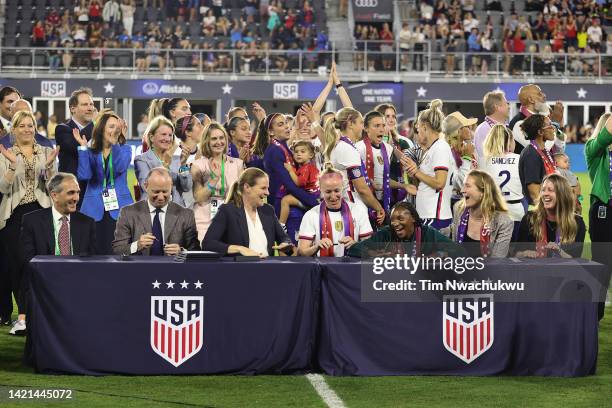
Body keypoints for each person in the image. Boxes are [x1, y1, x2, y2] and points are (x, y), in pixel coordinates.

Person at [0, 111, 59, 335]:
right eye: (22, 126)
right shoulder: (5, 153)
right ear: (13, 130)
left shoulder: (45, 152)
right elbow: (3, 189)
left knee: (40, 265)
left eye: (30, 125)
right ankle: (23, 317)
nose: (27, 129)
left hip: (41, 212)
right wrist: (13, 166)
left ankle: (40, 314)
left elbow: (52, 187)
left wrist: (50, 168)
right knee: (19, 266)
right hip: (14, 215)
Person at [19, 173, 97, 335]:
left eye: (78, 192)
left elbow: (92, 261)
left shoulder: (87, 223)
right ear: (54, 195)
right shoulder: (31, 221)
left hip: (77, 288)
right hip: (44, 287)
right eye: (71, 193)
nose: (76, 198)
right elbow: (27, 260)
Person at [75, 111, 133, 255]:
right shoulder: (90, 151)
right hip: (93, 208)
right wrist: (82, 148)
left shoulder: (125, 149)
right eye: (111, 127)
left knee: (117, 252)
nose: (115, 130)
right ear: (101, 129)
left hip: (119, 207)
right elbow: (84, 175)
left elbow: (119, 167)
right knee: (94, 252)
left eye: (117, 127)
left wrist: (116, 145)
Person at [202, 167, 293, 257]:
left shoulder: (268, 210)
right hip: (240, 269)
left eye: (267, 188)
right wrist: (239, 249)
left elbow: (284, 238)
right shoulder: (227, 210)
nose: (267, 193)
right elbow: (208, 244)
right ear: (247, 187)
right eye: (263, 188)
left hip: (267, 268)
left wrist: (286, 244)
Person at [112, 167, 200, 255]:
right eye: (156, 192)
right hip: (139, 268)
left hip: (173, 268)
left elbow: (196, 252)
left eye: (165, 192)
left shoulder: (186, 215)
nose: (161, 197)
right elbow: (117, 250)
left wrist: (182, 252)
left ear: (171, 187)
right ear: (146, 186)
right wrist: (137, 245)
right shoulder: (128, 213)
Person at [323, 108, 385, 225]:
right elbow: (361, 188)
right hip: (351, 208)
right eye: (361, 122)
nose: (362, 127)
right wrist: (378, 207)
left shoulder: (339, 145)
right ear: (351, 124)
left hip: (342, 205)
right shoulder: (347, 149)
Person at [402, 99, 454, 231]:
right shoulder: (432, 149)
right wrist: (415, 174)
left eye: (418, 129)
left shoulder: (440, 147)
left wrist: (416, 171)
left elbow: (439, 183)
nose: (417, 133)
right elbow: (428, 182)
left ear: (425, 127)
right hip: (428, 214)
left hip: (435, 217)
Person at [297, 165, 372, 257]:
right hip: (322, 269)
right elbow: (301, 252)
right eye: (328, 192)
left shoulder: (358, 210)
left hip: (352, 268)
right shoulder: (311, 215)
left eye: (336, 191)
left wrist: (356, 245)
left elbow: (370, 249)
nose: (333, 197)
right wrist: (316, 246)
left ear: (342, 187)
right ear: (320, 189)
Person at [256, 113, 319, 215]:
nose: (286, 126)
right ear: (271, 132)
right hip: (282, 208)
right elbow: (289, 185)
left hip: (292, 204)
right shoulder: (274, 151)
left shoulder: (283, 147)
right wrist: (314, 202)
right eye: (281, 124)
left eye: (286, 123)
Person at [356, 110, 413, 221]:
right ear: (366, 128)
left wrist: (404, 186)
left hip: (384, 202)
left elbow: (384, 180)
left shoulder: (387, 148)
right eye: (376, 126)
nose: (381, 129)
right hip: (364, 203)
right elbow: (359, 182)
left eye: (383, 125)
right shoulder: (358, 148)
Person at [191, 123, 243, 242]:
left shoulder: (238, 164)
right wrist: (214, 179)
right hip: (204, 220)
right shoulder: (198, 165)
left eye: (221, 138)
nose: (218, 142)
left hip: (231, 219)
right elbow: (199, 197)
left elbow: (241, 196)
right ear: (207, 141)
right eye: (214, 139)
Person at [347, 201, 455, 257]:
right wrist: (372, 253)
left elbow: (458, 250)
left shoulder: (427, 233)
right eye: (392, 220)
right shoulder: (386, 233)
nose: (395, 224)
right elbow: (353, 249)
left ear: (413, 218)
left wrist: (439, 254)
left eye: (400, 219)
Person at [516, 174, 585, 259]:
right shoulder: (529, 218)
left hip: (562, 271)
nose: (545, 194)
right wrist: (524, 253)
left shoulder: (577, 223)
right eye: (543, 190)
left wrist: (560, 251)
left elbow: (576, 260)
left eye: (550, 190)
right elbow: (516, 254)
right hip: (533, 270)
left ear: (562, 194)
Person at [584, 113, 612, 320]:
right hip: (604, 210)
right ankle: (595, 313)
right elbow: (603, 139)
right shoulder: (594, 149)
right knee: (602, 264)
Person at [451, 169, 513, 258]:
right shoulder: (458, 209)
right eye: (463, 186)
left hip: (488, 271)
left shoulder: (503, 222)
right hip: (459, 269)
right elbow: (454, 247)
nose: (462, 190)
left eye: (467, 186)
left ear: (483, 193)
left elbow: (497, 261)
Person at [134, 116, 193, 207]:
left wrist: (183, 164)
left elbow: (186, 187)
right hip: (152, 212)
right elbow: (147, 187)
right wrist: (166, 163)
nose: (168, 139)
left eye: (170, 135)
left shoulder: (178, 159)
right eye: (163, 134)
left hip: (176, 212)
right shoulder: (142, 160)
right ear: (151, 137)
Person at [482, 124, 525, 239]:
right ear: (510, 141)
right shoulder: (520, 159)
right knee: (514, 252)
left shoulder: (486, 161)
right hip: (515, 210)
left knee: (494, 252)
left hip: (493, 211)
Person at [54, 88, 95, 207]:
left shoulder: (99, 132)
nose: (90, 108)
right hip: (72, 193)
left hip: (94, 192)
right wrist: (95, 124)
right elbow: (74, 147)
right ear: (73, 108)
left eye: (91, 104)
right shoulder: (63, 129)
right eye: (85, 104)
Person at [508, 84, 564, 154]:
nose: (544, 95)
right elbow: (541, 149)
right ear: (531, 100)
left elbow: (559, 150)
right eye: (539, 94)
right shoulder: (519, 123)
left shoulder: (542, 118)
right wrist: (554, 124)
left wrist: (558, 126)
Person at [279, 141, 319, 231]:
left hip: (311, 199)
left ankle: (281, 226)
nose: (298, 154)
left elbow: (298, 183)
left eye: (302, 151)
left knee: (286, 200)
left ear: (311, 154)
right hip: (311, 198)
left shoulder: (307, 168)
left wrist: (290, 170)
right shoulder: (306, 167)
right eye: (296, 152)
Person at [518, 114, 557, 205]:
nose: (553, 128)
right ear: (540, 132)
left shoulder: (545, 151)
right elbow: (534, 192)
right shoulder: (530, 154)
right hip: (541, 211)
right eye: (549, 125)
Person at [442, 111, 478, 208]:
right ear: (458, 131)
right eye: (466, 126)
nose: (470, 129)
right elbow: (459, 183)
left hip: (470, 200)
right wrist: (466, 158)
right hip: (453, 203)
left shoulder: (468, 147)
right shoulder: (447, 151)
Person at [174, 115, 205, 208]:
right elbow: (180, 184)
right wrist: (194, 164)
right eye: (198, 125)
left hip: (202, 208)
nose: (203, 127)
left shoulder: (205, 152)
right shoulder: (175, 153)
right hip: (181, 209)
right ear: (188, 132)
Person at [473, 90, 510, 161]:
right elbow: (483, 159)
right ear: (497, 107)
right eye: (506, 104)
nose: (508, 107)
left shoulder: (506, 127)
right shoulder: (483, 129)